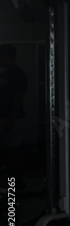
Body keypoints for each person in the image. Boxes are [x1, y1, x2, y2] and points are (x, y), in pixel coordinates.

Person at [0, 44, 28, 178]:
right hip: (5, 117)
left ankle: (17, 184)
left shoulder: (18, 75)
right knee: (8, 151)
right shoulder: (4, 74)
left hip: (13, 119)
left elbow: (18, 99)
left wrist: (10, 120)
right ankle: (14, 184)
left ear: (9, 57)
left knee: (13, 151)